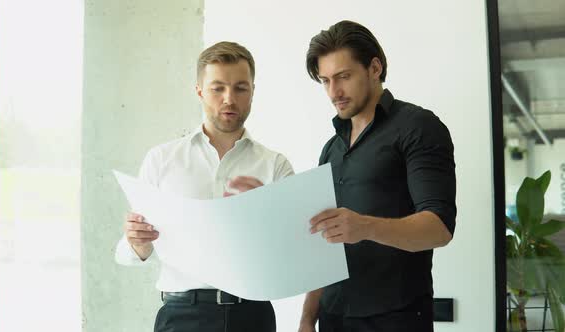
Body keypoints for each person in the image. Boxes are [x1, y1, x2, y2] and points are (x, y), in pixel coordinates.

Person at [115, 41, 293, 332]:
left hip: (252, 317)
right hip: (181, 316)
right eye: (217, 88)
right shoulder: (161, 160)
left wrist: (265, 213)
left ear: (252, 92)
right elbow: (129, 252)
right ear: (199, 90)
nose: (229, 98)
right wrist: (136, 242)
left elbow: (292, 252)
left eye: (240, 88)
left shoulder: (276, 166)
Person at [298, 20, 457, 332]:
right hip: (332, 318)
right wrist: (306, 319)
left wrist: (364, 226)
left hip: (395, 318)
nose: (334, 92)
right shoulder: (331, 148)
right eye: (325, 80)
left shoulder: (418, 127)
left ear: (374, 68)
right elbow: (321, 243)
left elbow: (439, 228)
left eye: (343, 77)